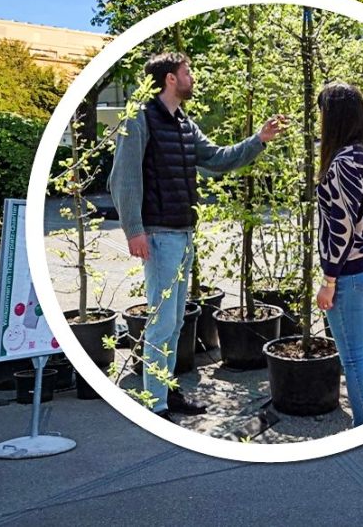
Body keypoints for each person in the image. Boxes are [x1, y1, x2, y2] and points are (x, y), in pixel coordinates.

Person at [109, 52, 287, 422]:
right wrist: (134, 230)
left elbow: (219, 158)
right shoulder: (140, 118)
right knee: (160, 323)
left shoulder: (185, 124)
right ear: (171, 79)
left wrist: (258, 140)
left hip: (183, 233)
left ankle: (167, 393)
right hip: (158, 235)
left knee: (174, 323)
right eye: (187, 71)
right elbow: (123, 178)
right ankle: (154, 404)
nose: (192, 76)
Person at [314, 82, 363, 428]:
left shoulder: (341, 162)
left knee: (353, 357)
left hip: (349, 270)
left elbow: (341, 228)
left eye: (322, 113)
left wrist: (329, 280)